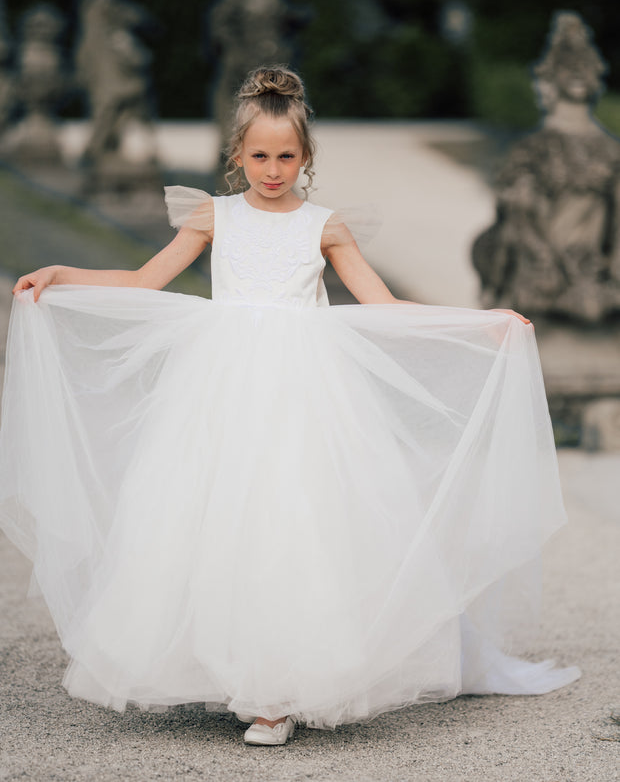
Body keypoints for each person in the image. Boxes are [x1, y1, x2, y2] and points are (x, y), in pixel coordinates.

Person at [0, 66, 579, 747]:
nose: (272, 170)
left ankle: (276, 690)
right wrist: (62, 275)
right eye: (258, 155)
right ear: (235, 155)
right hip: (220, 391)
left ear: (306, 158)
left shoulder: (323, 227)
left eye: (286, 156)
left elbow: (384, 306)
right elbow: (141, 279)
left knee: (297, 523)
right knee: (214, 519)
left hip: (307, 395)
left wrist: (483, 321)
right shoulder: (214, 215)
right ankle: (225, 664)